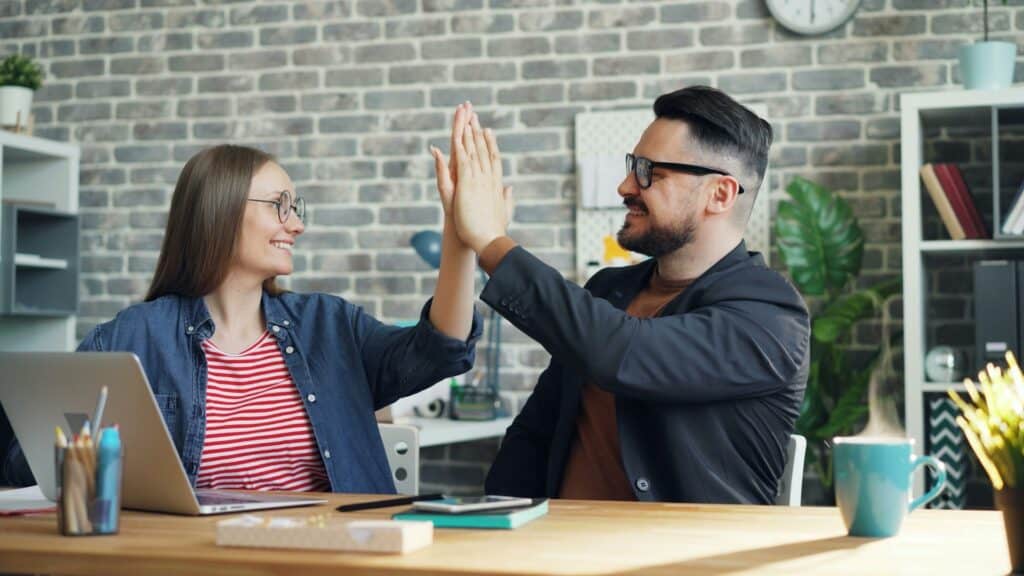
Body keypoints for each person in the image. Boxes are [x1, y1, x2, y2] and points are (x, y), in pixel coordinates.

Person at [2, 142, 481, 493]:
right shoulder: (133, 338)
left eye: (296, 208)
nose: (297, 224)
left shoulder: (331, 327)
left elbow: (441, 347)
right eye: (280, 206)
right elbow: (25, 459)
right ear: (221, 212)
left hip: (331, 558)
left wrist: (459, 237)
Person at [440, 86, 810, 504]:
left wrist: (491, 243)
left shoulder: (771, 316)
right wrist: (499, 527)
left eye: (651, 171)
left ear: (719, 194)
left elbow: (624, 354)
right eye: (633, 166)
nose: (625, 186)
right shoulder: (608, 291)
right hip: (557, 549)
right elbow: (536, 432)